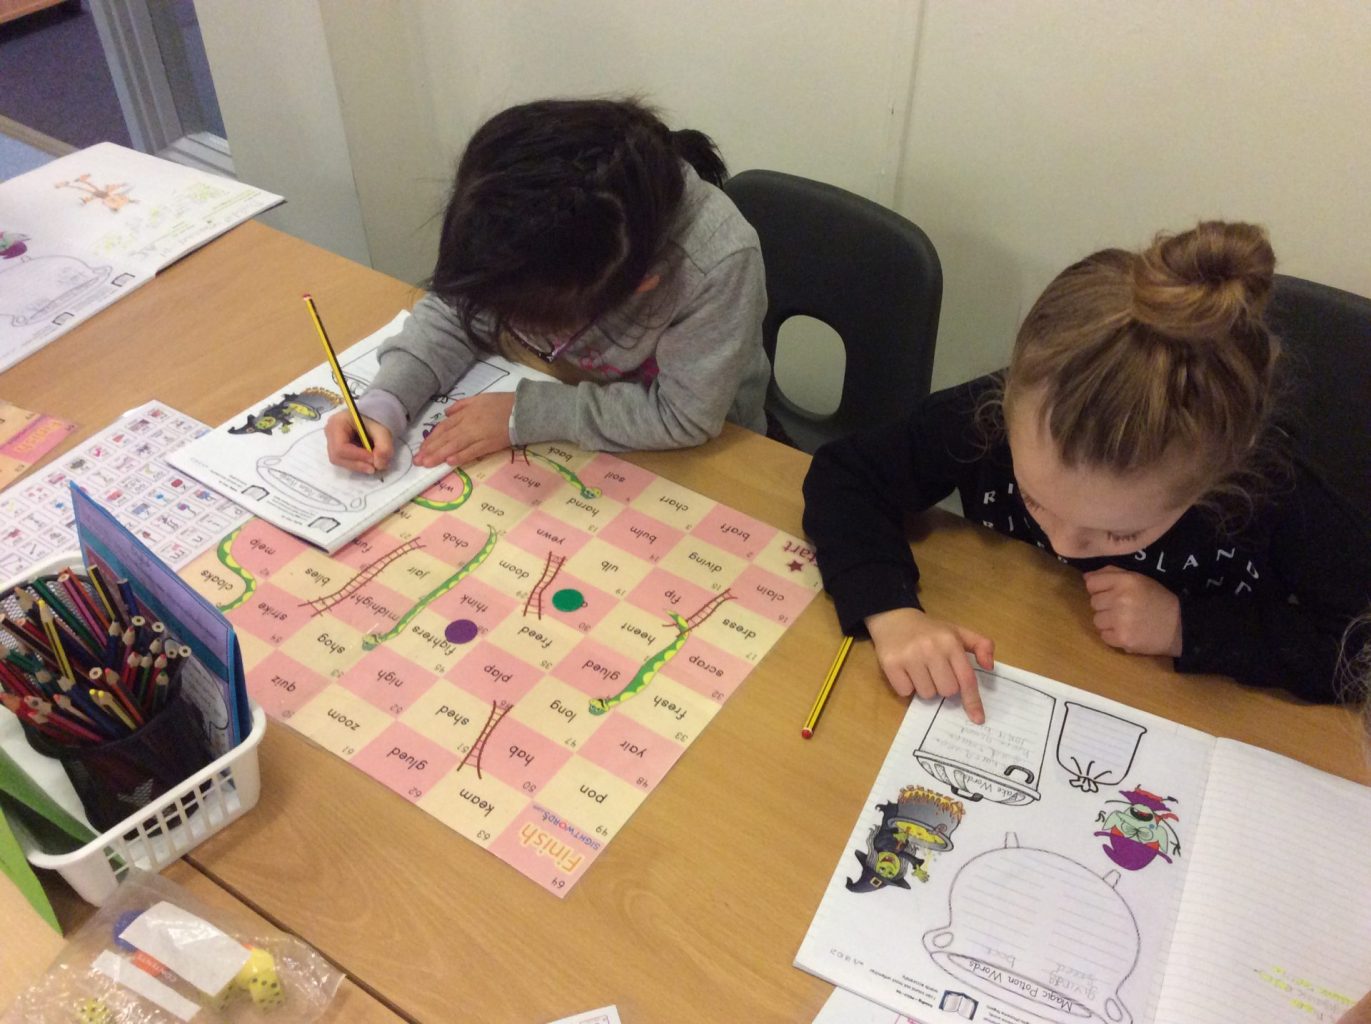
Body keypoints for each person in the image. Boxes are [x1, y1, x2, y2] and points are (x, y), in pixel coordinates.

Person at [802, 220, 1371, 723]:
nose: (1065, 546)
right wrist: (891, 610)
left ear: (1218, 477)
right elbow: (847, 475)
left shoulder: (1272, 487)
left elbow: (1360, 645)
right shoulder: (997, 416)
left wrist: (1188, 627)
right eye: (1035, 499)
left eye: (1120, 533)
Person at [326, 98, 770, 474]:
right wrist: (386, 401)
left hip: (700, 451)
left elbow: (683, 417)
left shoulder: (714, 262)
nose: (500, 318)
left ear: (639, 285)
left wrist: (525, 414)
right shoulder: (520, 201)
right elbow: (457, 310)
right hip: (558, 402)